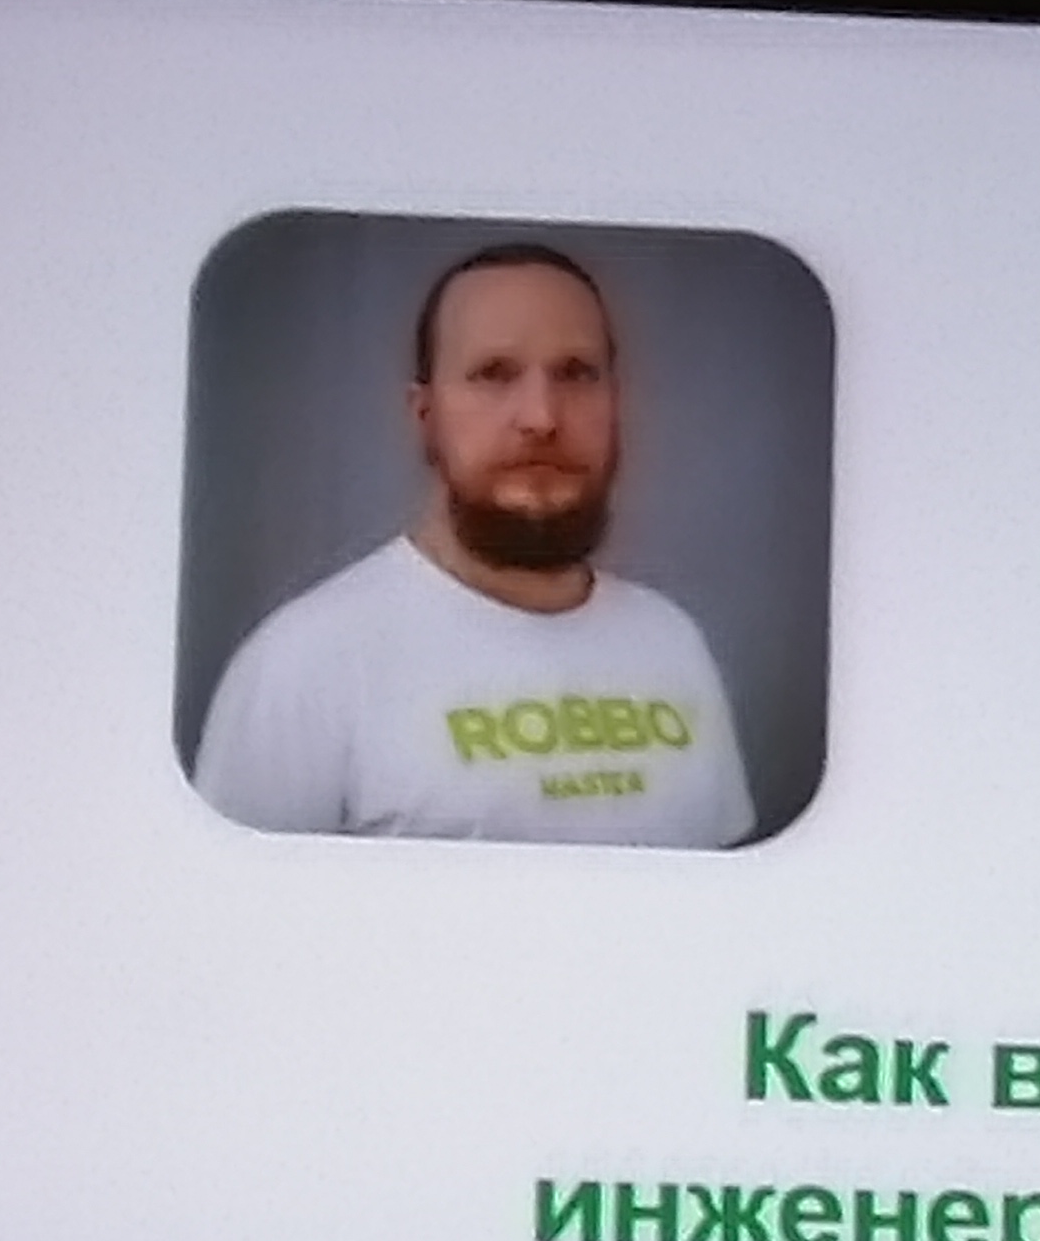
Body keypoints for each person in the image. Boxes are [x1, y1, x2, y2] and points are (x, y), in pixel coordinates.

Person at [191, 240, 763, 847]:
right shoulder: (301, 667)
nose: (541, 417)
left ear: (614, 403)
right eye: (494, 374)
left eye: (576, 373)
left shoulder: (671, 639)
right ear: (425, 415)